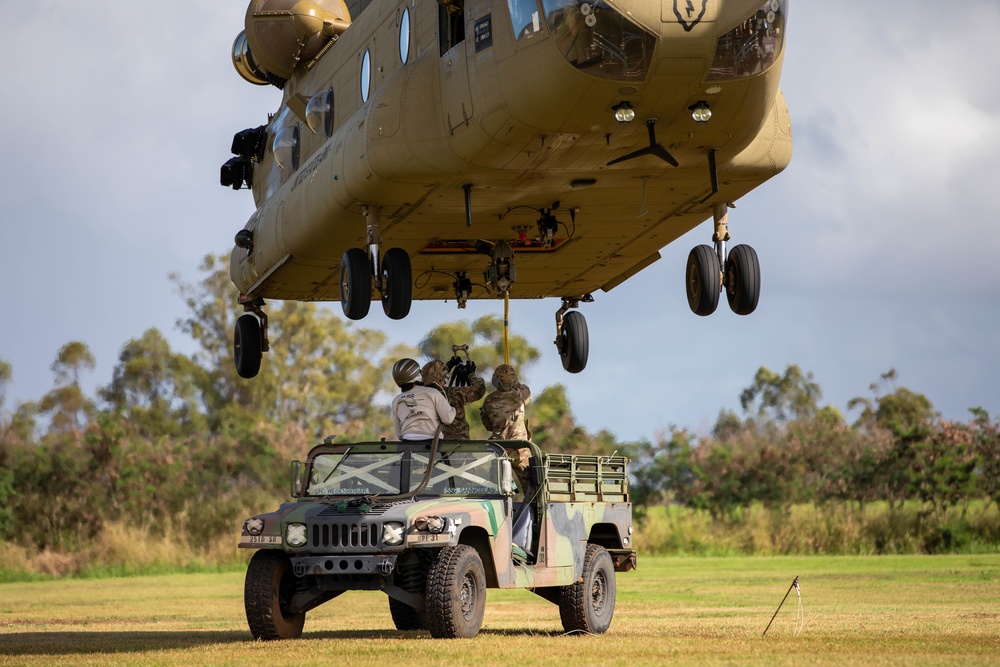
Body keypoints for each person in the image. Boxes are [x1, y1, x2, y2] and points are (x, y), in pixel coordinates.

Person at [390, 358, 455, 440]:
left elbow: (399, 433)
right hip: (433, 444)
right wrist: (452, 408)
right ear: (417, 375)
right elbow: (448, 419)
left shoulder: (396, 400)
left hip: (408, 445)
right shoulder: (433, 393)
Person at [421, 358, 486, 440]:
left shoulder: (419, 396)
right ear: (440, 377)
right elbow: (479, 390)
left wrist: (448, 367)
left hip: (429, 447)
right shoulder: (452, 393)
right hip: (456, 447)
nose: (446, 378)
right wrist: (471, 374)